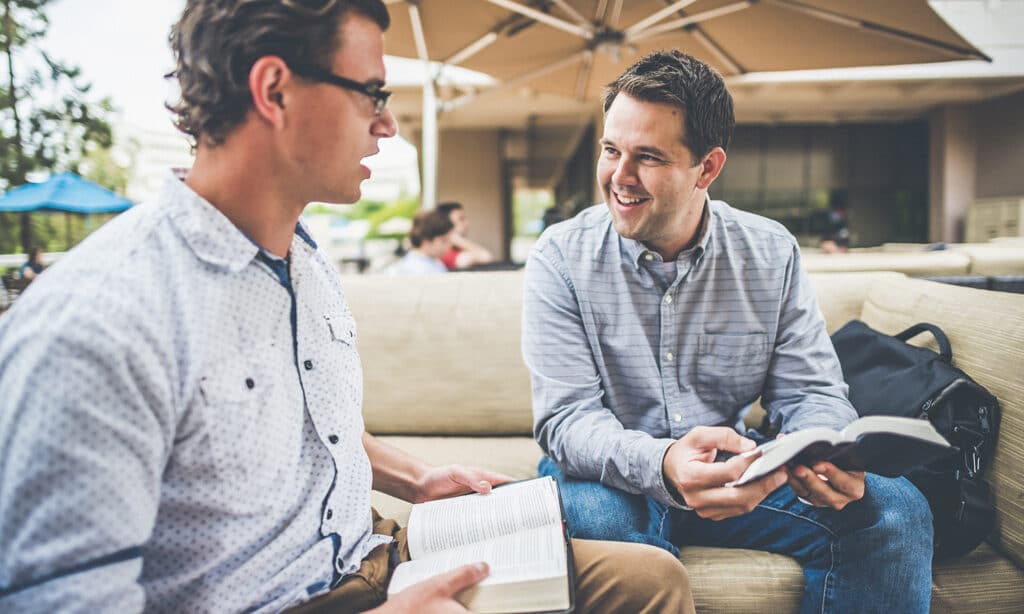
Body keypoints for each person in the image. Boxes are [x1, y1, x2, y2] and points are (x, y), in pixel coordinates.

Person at [0, 3, 693, 613]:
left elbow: (304, 427)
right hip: (276, 597)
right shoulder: (97, 324)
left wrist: (416, 478)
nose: (386, 124)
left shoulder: (302, 258)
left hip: (369, 552)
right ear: (275, 90)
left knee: (649, 580)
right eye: (371, 94)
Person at [522, 50, 933, 614]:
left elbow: (810, 391)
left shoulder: (770, 252)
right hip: (609, 475)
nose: (619, 176)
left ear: (708, 168)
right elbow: (567, 420)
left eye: (647, 157)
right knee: (603, 529)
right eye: (611, 150)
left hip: (736, 468)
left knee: (896, 510)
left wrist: (815, 455)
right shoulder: (560, 257)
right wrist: (664, 463)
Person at [388, 209, 453, 275]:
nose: (449, 245)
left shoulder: (434, 262)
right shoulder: (415, 269)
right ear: (426, 240)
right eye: (444, 240)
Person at [435, 201, 494, 270]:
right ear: (446, 223)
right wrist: (456, 239)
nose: (467, 223)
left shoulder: (456, 249)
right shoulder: (444, 253)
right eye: (461, 219)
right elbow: (486, 257)